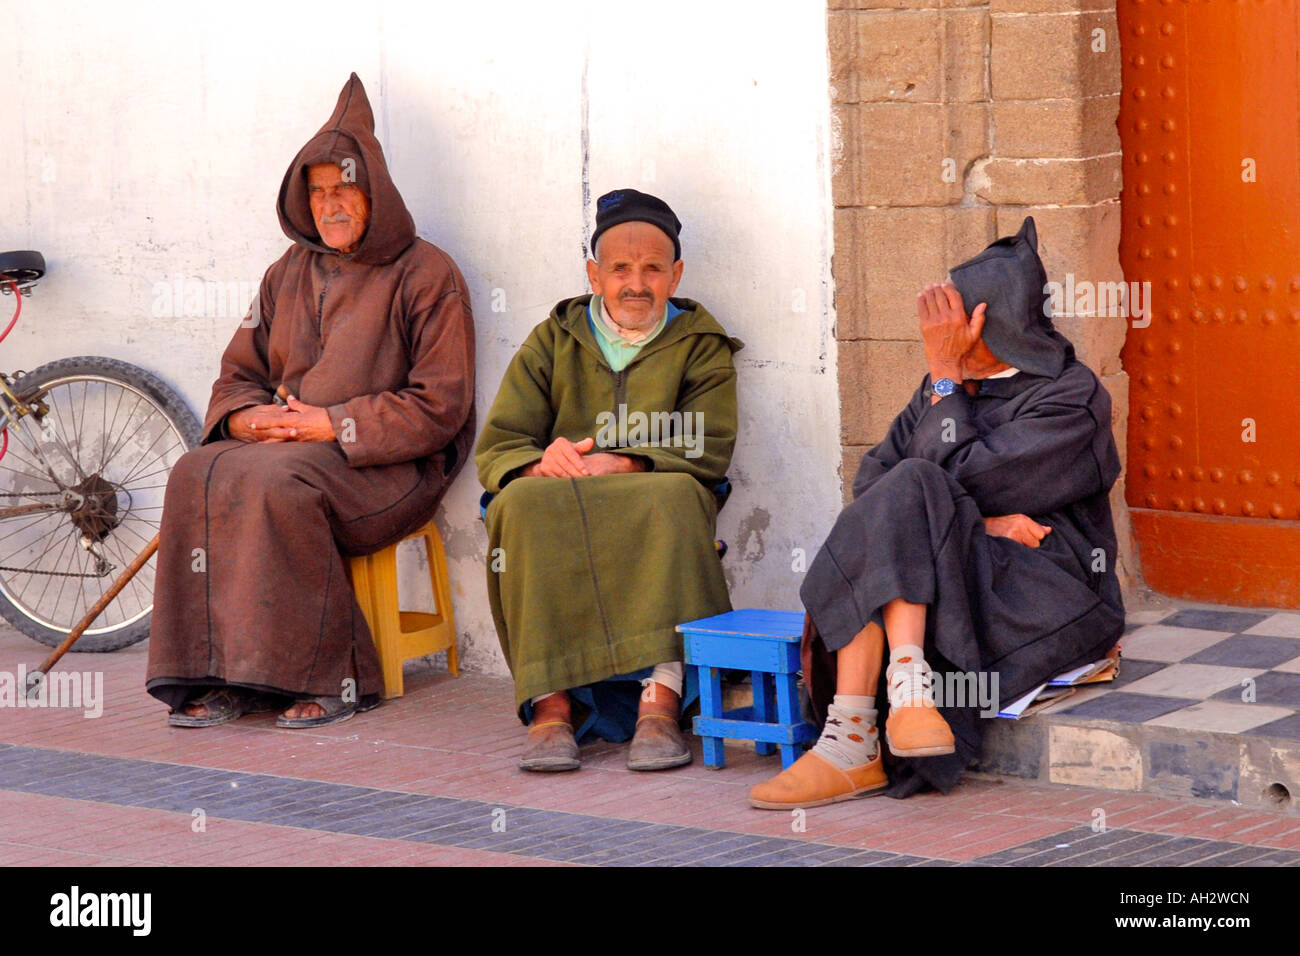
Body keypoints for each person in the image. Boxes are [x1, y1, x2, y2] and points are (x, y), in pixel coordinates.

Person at [750, 217, 1124, 808]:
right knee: (898, 506)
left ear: (991, 325)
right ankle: (902, 698)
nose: (939, 337)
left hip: (1045, 588)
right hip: (955, 569)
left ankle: (855, 740)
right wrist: (980, 519)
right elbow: (875, 484)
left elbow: (972, 478)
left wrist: (947, 388)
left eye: (953, 323)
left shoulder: (1071, 396)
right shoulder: (946, 386)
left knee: (911, 497)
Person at [146, 73, 476, 728]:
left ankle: (336, 678)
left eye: (343, 188)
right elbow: (237, 372)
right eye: (318, 192)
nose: (329, 205)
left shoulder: (426, 272)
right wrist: (249, 417)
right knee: (194, 471)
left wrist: (331, 424)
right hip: (290, 453)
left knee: (279, 482)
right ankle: (222, 676)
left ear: (374, 192)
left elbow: (442, 405)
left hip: (390, 470)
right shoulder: (286, 272)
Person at [475, 188, 742, 772]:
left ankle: (660, 703)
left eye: (652, 269)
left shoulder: (701, 346)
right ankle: (551, 707)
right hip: (562, 490)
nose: (636, 284)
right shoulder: (552, 339)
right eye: (620, 269)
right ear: (595, 275)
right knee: (518, 505)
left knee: (673, 499)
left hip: (655, 487)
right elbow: (501, 440)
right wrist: (540, 462)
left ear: (676, 275)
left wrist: (627, 461)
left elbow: (709, 443)